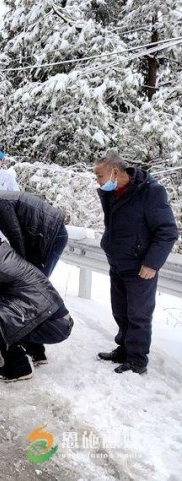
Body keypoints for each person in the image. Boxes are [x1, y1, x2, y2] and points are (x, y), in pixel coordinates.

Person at [93, 153, 178, 375]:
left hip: (141, 266)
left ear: (115, 172)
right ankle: (124, 349)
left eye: (99, 175)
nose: (98, 181)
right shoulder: (111, 193)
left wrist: (152, 263)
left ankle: (137, 360)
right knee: (120, 311)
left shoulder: (150, 192)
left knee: (138, 315)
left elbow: (168, 231)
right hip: (118, 262)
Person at [0, 232, 73, 382]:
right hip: (59, 319)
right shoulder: (5, 255)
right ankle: (36, 353)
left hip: (53, 327)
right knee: (14, 308)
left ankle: (19, 368)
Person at [0, 186, 68, 277]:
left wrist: (19, 267)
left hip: (53, 235)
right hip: (44, 235)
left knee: (38, 280)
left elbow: (14, 234)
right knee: (32, 276)